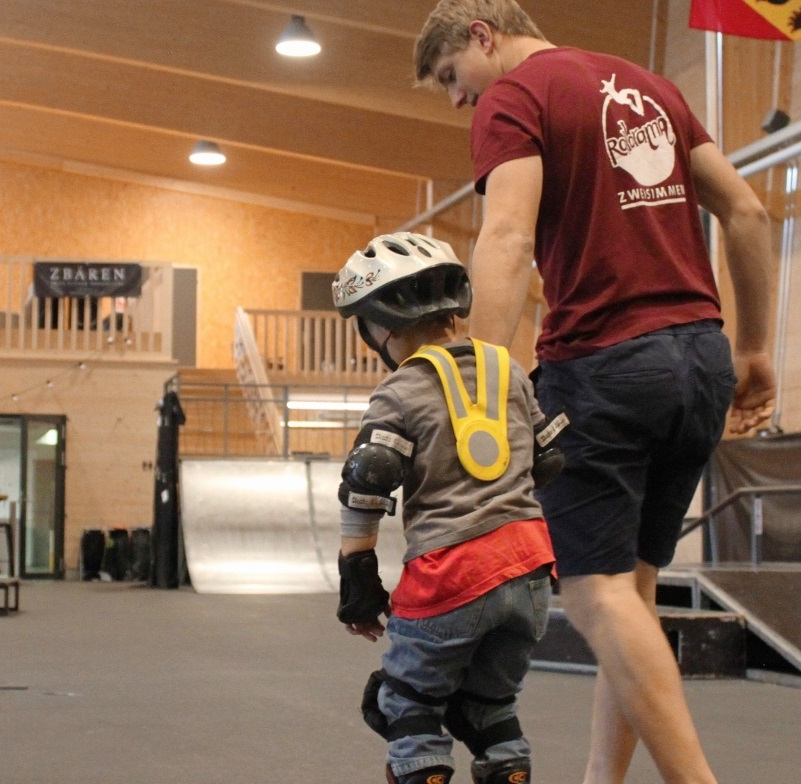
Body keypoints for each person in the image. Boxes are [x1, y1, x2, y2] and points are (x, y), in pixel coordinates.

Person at [414, 3, 777, 783]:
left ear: (482, 35)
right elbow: (747, 212)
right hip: (700, 361)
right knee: (629, 597)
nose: (457, 97)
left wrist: (477, 387)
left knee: (594, 595)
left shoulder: (515, 98)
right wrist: (755, 350)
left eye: (450, 76)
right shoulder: (653, 88)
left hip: (605, 368)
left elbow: (507, 238)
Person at [331, 231, 567, 784]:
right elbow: (548, 461)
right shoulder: (508, 369)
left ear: (382, 326)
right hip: (531, 571)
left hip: (452, 572)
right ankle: (509, 770)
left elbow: (369, 481)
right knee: (486, 706)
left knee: (403, 703)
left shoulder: (399, 390)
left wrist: (358, 579)